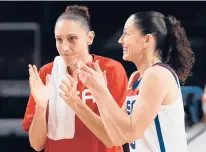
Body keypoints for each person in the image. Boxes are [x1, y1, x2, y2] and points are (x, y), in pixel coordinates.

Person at [60, 11, 195, 152]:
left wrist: (101, 90)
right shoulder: (136, 78)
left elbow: (131, 132)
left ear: (147, 40)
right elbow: (115, 137)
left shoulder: (157, 74)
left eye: (126, 34)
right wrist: (81, 100)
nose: (120, 40)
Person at [22, 5, 129, 152]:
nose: (64, 47)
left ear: (90, 38)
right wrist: (41, 107)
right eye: (59, 40)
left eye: (72, 38)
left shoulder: (111, 70)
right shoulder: (47, 73)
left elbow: (112, 139)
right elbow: (36, 144)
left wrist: (75, 104)